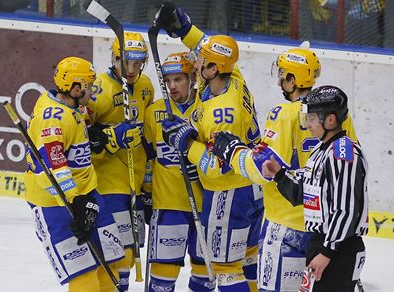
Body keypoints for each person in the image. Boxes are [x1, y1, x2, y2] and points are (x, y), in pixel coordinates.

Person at [211, 45, 359, 291]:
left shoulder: (284, 114)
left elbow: (264, 169)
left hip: (285, 227)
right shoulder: (338, 115)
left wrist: (233, 152)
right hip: (321, 229)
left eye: (283, 75)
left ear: (293, 80)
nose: (280, 81)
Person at [156, 3, 264, 291]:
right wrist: (184, 28)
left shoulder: (221, 113)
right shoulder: (233, 78)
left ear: (214, 68)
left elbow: (217, 167)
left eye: (202, 60)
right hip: (252, 188)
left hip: (229, 192)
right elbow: (210, 47)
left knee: (226, 270)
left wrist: (186, 142)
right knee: (248, 260)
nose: (196, 60)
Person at [23, 56, 125, 291]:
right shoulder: (53, 120)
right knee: (85, 280)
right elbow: (53, 167)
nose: (92, 90)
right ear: (75, 88)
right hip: (54, 205)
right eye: (89, 86)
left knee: (109, 272)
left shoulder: (71, 107)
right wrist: (77, 202)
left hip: (88, 197)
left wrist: (86, 201)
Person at [261, 85, 369, 292]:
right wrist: (279, 174)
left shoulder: (342, 153)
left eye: (311, 119)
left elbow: (346, 210)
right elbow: (304, 192)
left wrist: (327, 252)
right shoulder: (322, 150)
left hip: (337, 249)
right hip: (322, 244)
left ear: (330, 120)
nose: (307, 125)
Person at [84, 32, 155, 292]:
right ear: (115, 59)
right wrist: (110, 136)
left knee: (129, 247)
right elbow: (81, 136)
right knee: (115, 250)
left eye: (138, 63)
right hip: (107, 181)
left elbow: (147, 137)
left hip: (134, 182)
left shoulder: (146, 86)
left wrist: (148, 183)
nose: (133, 69)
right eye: (127, 62)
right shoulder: (98, 90)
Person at [142, 52, 215, 292]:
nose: (172, 86)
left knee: (204, 278)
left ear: (192, 78)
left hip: (205, 206)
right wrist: (145, 193)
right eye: (168, 80)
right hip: (168, 206)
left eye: (178, 80)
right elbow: (149, 158)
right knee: (162, 279)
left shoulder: (207, 108)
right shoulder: (153, 113)